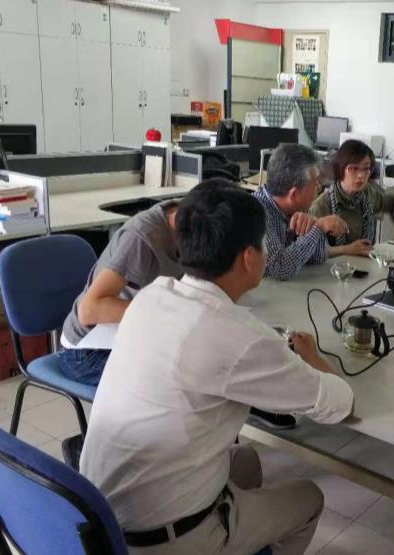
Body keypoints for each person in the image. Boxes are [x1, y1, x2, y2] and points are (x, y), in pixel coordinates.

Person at [80, 181, 354, 555]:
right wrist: (313, 359)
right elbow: (337, 404)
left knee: (246, 462)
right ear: (248, 258)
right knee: (308, 497)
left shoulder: (151, 296)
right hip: (162, 540)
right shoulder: (241, 337)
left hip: (103, 521)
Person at [58, 191, 183, 386]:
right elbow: (89, 310)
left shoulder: (190, 217)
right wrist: (161, 313)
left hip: (130, 335)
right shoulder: (140, 238)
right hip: (86, 352)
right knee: (171, 379)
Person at [309, 139, 394, 251]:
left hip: (364, 263)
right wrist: (348, 250)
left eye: (366, 169)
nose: (361, 175)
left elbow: (392, 202)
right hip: (334, 271)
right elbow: (313, 254)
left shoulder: (366, 194)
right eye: (354, 168)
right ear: (341, 168)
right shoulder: (322, 206)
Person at [253, 144, 353, 281]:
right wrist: (319, 227)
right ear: (294, 194)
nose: (319, 188)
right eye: (315, 183)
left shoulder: (295, 208)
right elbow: (280, 268)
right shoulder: (257, 212)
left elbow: (318, 257)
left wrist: (312, 224)